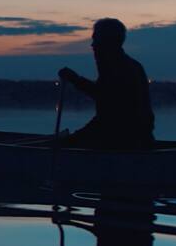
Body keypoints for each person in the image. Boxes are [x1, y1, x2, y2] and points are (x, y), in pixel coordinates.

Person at [59, 18, 154, 150]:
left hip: (126, 142)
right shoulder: (123, 66)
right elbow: (104, 99)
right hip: (134, 139)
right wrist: (75, 79)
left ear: (108, 41)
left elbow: (110, 116)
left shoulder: (120, 69)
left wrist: (71, 140)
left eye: (96, 39)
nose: (92, 45)